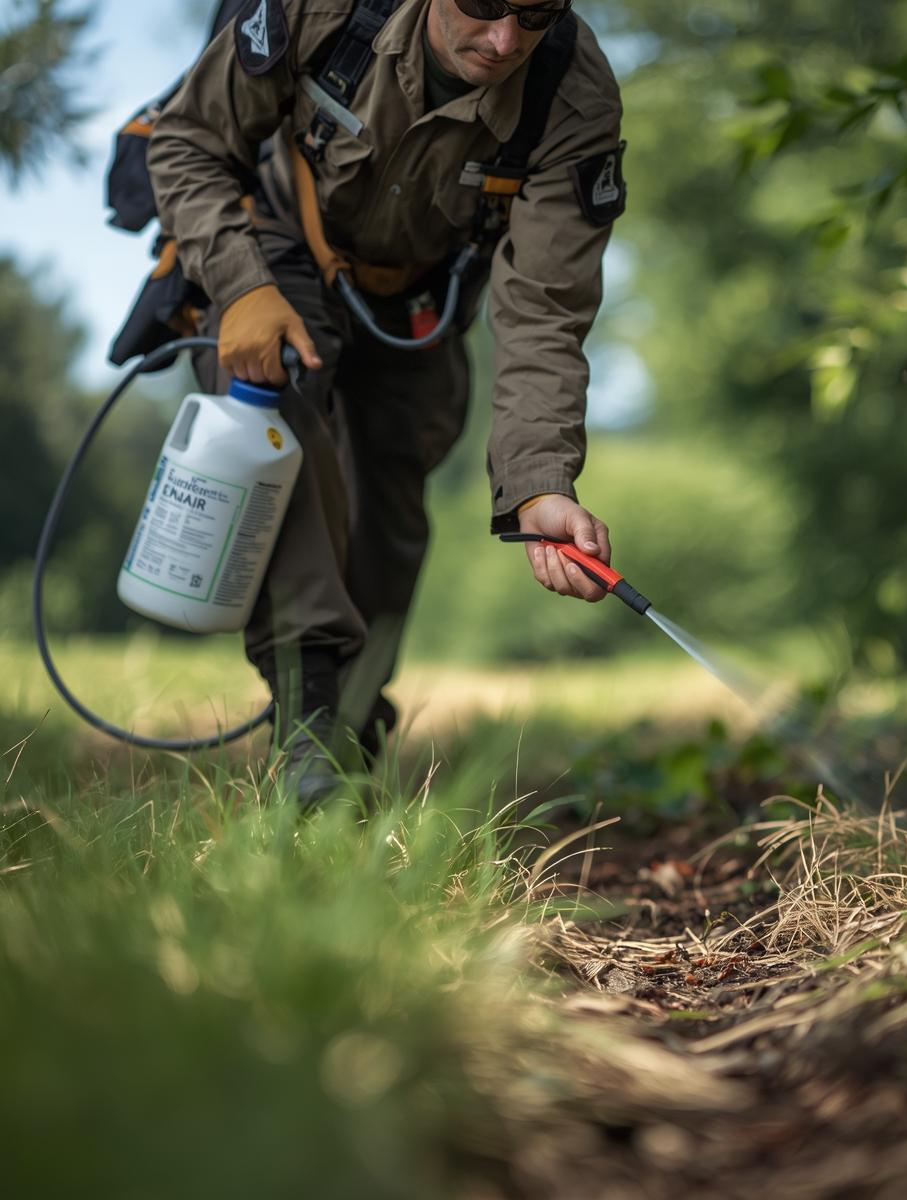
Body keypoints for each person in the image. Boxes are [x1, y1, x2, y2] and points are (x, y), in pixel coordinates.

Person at [146, 0, 627, 804]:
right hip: (269, 248)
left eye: (536, 11)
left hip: (419, 300)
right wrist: (240, 288)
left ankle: (351, 736)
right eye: (482, 4)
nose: (505, 39)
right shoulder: (325, 11)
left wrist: (541, 484)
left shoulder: (573, 96)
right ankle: (308, 734)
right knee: (286, 413)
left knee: (392, 505)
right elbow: (188, 141)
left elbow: (545, 308)